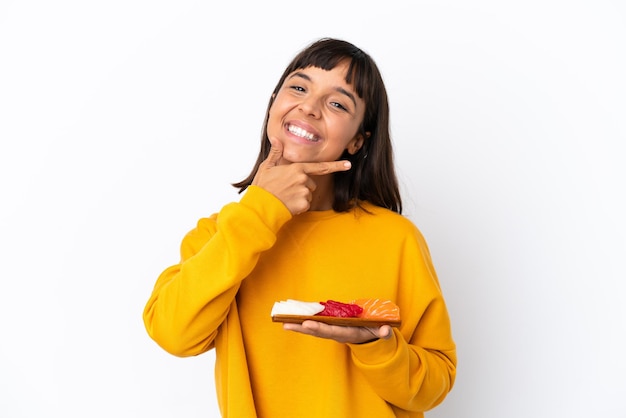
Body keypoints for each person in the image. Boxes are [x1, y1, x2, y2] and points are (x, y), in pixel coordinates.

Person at [143, 37, 456, 417]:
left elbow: (433, 386)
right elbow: (173, 334)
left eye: (337, 103)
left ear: (358, 140)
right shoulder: (221, 234)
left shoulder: (396, 239)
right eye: (298, 87)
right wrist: (261, 209)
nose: (308, 107)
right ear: (274, 103)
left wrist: (375, 345)